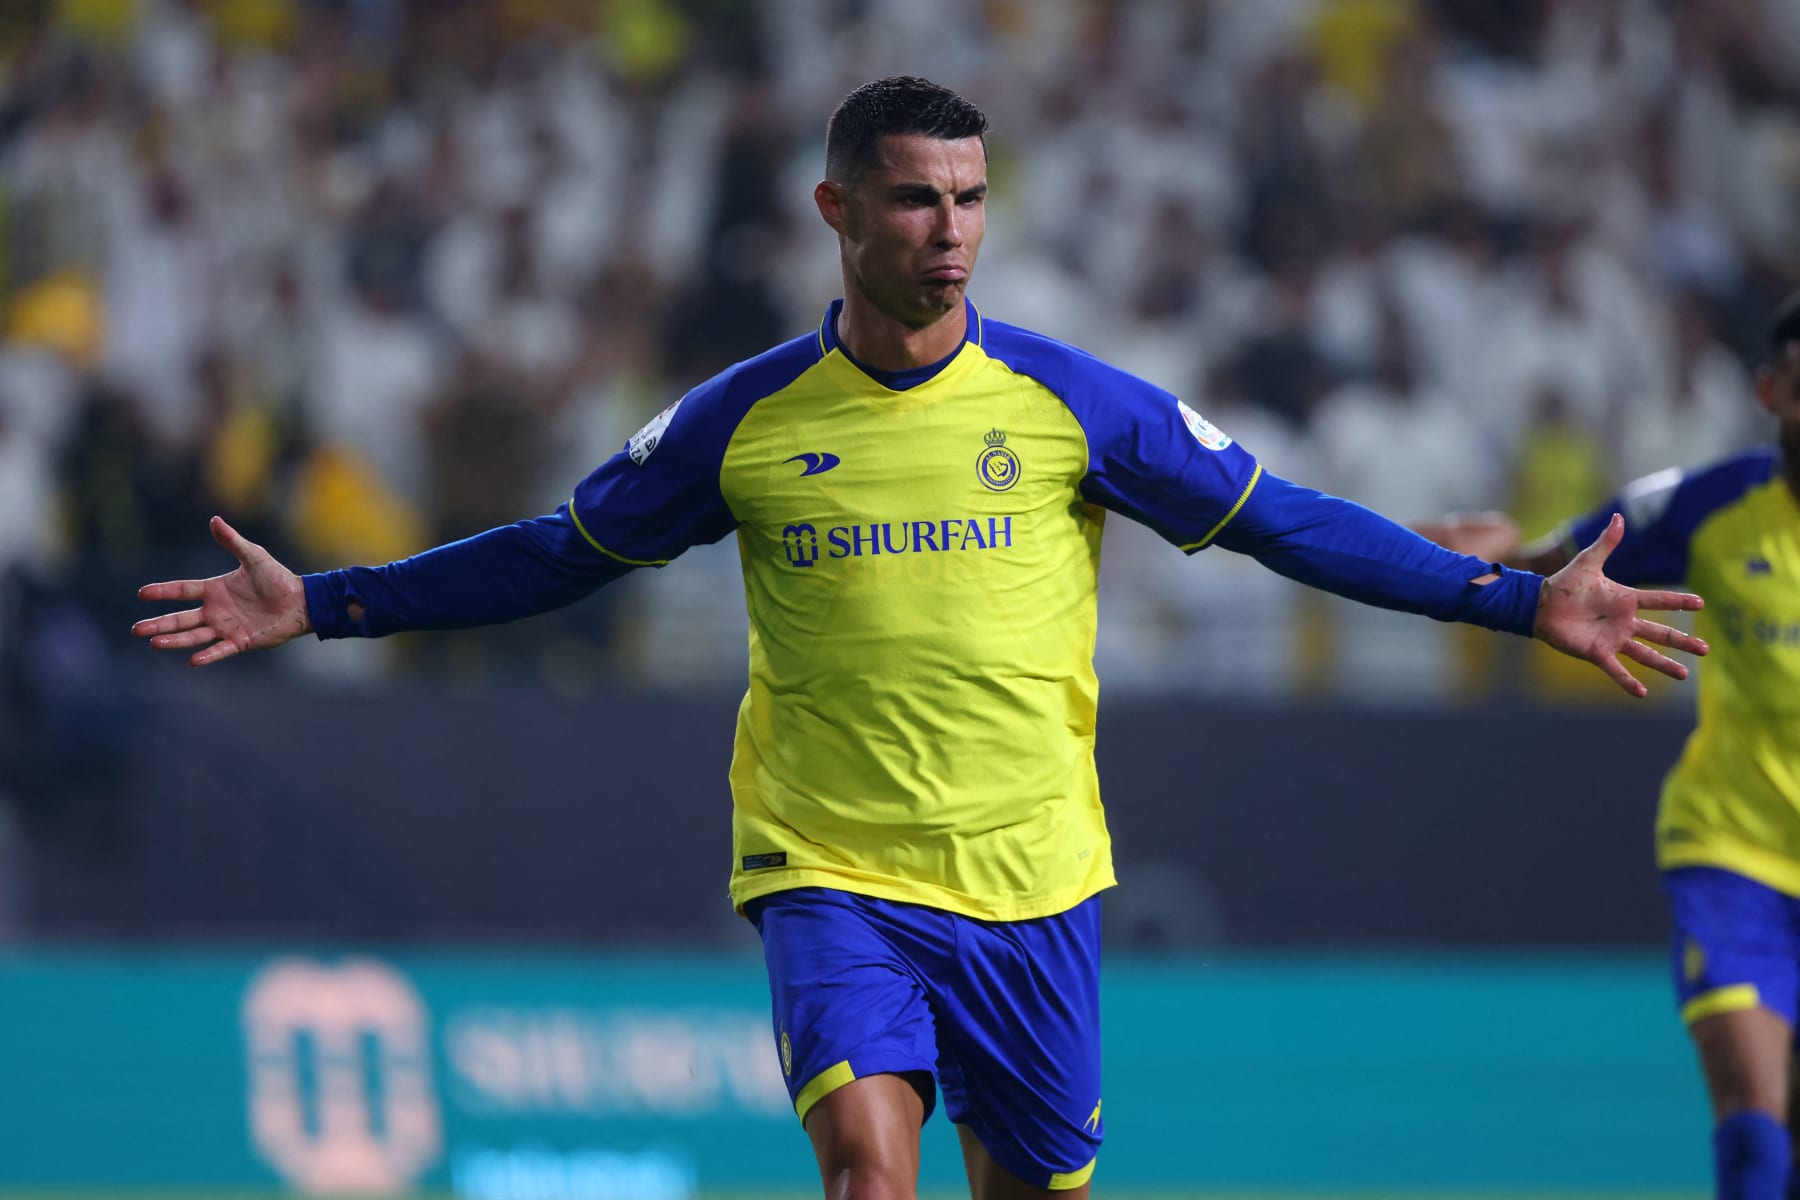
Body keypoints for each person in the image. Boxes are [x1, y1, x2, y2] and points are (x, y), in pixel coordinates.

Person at [135, 78, 1707, 1200]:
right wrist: (325, 601)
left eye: (967, 200)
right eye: (913, 197)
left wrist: (1514, 602)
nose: (949, 231)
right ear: (837, 208)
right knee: (865, 1175)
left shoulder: (1074, 401)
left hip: (1033, 875)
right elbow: (561, 554)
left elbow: (1283, 519)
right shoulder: (742, 422)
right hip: (833, 869)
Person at [1420, 293, 1800, 1200]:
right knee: (1754, 1117)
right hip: (1734, 852)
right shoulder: (1708, 507)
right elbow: (1567, 565)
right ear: (1769, 392)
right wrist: (1501, 553)